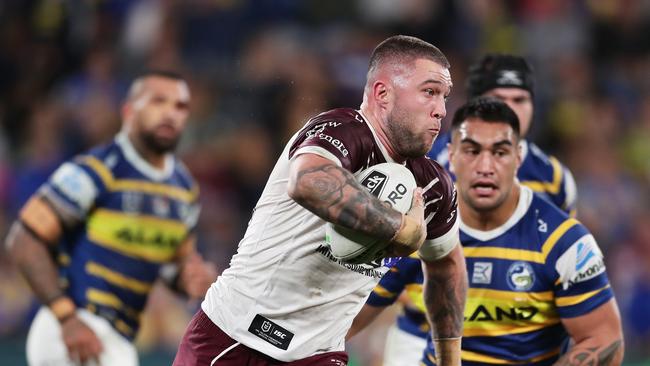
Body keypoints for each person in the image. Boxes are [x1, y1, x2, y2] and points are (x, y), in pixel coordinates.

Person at [173, 35, 468, 366]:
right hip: (234, 338)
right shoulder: (340, 130)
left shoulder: (434, 187)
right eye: (429, 92)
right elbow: (308, 181)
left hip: (319, 354)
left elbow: (446, 266)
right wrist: (400, 229)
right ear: (382, 93)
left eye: (444, 96)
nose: (441, 110)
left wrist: (448, 360)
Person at [350, 97, 624, 365]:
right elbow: (348, 317)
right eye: (472, 151)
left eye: (500, 152)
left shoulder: (563, 242)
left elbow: (604, 339)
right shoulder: (420, 227)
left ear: (518, 158)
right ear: (452, 156)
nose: (485, 167)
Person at [5, 70, 217, 366]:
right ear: (129, 111)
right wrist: (66, 318)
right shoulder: (95, 172)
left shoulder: (184, 190)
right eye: (158, 101)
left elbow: (173, 267)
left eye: (180, 106)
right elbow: (23, 240)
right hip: (72, 329)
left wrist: (190, 279)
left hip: (117, 340)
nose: (170, 113)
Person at [429, 54, 577, 215]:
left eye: (519, 100)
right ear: (474, 104)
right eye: (498, 99)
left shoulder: (554, 178)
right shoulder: (432, 165)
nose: (510, 109)